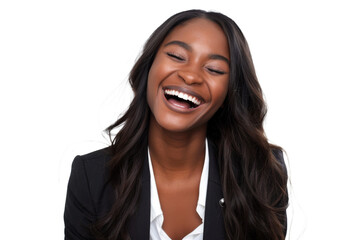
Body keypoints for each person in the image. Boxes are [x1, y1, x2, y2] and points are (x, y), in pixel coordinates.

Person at [64, 9, 288, 240]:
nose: (191, 76)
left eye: (214, 69)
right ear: (148, 66)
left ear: (229, 93)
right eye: (177, 56)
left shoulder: (262, 173)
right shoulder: (91, 177)